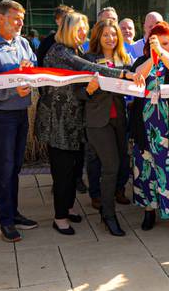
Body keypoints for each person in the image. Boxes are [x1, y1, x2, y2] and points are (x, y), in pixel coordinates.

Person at [36, 13, 137, 235]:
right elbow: (84, 84)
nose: (83, 33)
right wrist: (122, 75)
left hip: (95, 121)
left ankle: (69, 209)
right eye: (79, 29)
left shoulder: (85, 52)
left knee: (79, 169)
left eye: (85, 29)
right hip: (66, 122)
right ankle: (88, 215)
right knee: (75, 170)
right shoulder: (69, 53)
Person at [0, 0, 39, 243]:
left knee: (15, 167)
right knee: (4, 167)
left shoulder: (23, 43)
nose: (21, 23)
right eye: (15, 18)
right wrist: (13, 91)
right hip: (0, 116)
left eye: (22, 18)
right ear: (1, 19)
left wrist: (30, 70)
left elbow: (32, 68)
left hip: (21, 113)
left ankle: (13, 212)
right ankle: (5, 222)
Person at [130, 22, 169, 239]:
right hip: (146, 128)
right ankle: (150, 211)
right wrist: (152, 56)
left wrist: (162, 53)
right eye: (156, 42)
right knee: (146, 171)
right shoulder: (143, 61)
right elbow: (136, 74)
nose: (161, 46)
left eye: (166, 43)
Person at [81, 19, 139, 236]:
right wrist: (89, 89)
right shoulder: (89, 60)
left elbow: (134, 82)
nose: (110, 38)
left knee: (119, 164)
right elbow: (79, 94)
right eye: (106, 34)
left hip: (118, 121)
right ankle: (108, 215)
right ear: (98, 36)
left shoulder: (123, 59)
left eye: (114, 35)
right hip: (97, 122)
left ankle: (107, 210)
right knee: (111, 166)